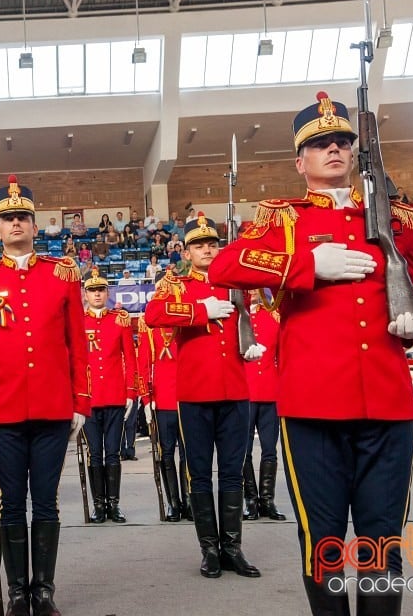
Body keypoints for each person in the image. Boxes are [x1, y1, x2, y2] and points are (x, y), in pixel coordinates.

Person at [208, 91, 413, 616]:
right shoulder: (282, 219)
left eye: (342, 141)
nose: (334, 148)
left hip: (387, 401)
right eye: (320, 143)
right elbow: (225, 268)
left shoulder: (395, 215)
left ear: (355, 152)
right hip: (313, 407)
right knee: (325, 544)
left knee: (382, 544)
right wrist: (306, 264)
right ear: (299, 160)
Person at [0, 175, 89, 616]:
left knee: (47, 501)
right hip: (5, 411)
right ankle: (17, 591)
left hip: (53, 409)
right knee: (11, 502)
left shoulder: (62, 274)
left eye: (23, 218)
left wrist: (81, 402)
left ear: (36, 226)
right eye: (8, 218)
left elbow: (77, 341)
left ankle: (44, 590)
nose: (15, 223)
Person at [144, 213, 265, 580]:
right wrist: (200, 311)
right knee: (199, 475)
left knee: (232, 473)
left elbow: (248, 321)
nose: (207, 249)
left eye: (212, 243)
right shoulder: (176, 285)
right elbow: (152, 314)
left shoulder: (235, 284)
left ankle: (232, 547)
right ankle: (209, 549)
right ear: (187, 250)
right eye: (199, 244)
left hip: (234, 390)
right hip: (195, 393)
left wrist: (251, 344)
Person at [78, 268, 136, 524]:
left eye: (101, 290)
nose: (97, 294)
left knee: (113, 453)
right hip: (89, 399)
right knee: (94, 454)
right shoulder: (79, 322)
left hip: (114, 396)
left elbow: (130, 359)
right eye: (92, 291)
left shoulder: (119, 320)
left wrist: (131, 393)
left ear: (107, 292)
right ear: (86, 295)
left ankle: (114, 504)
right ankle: (98, 505)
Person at [139, 299, 191, 522]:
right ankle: (173, 503)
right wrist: (145, 399)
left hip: (186, 398)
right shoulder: (150, 329)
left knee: (188, 455)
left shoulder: (187, 325)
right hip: (162, 401)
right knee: (166, 453)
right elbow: (143, 366)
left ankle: (189, 501)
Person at [241, 291, 286, 523]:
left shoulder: (274, 317)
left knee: (270, 448)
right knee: (244, 450)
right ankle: (251, 499)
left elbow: (282, 356)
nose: (254, 293)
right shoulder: (241, 318)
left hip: (270, 390)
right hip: (246, 392)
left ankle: (267, 499)